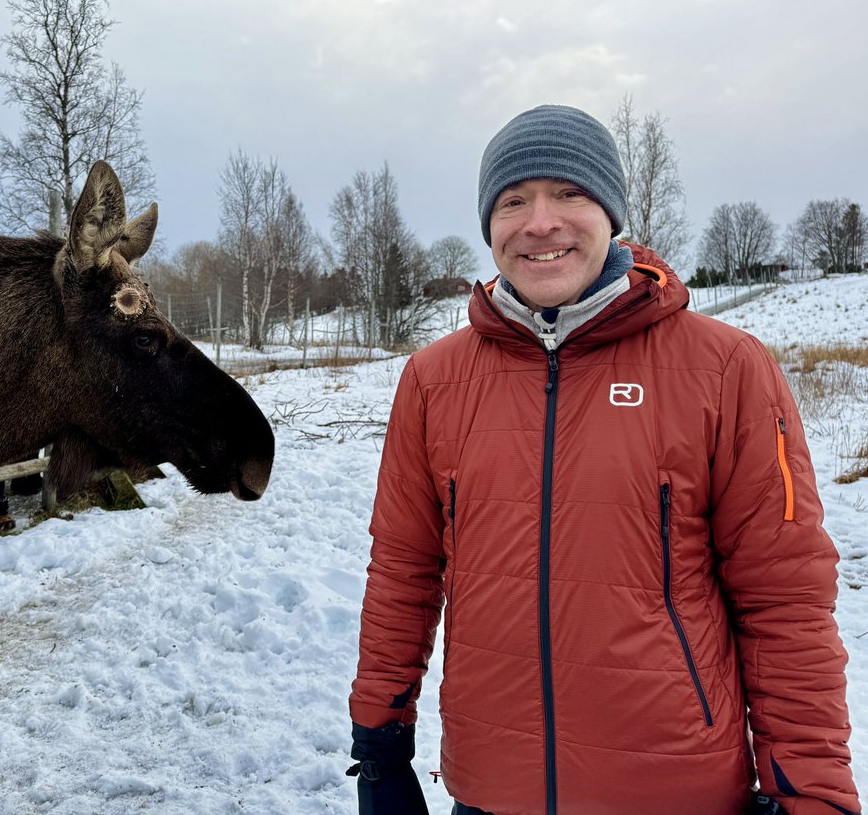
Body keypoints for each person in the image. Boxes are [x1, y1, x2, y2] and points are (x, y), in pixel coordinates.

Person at [347, 105, 859, 815]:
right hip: (492, 790)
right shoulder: (435, 380)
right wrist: (378, 741)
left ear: (611, 213)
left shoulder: (724, 368)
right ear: (489, 225)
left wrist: (810, 792)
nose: (541, 222)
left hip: (676, 793)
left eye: (570, 194)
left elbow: (785, 598)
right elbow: (403, 568)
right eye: (513, 200)